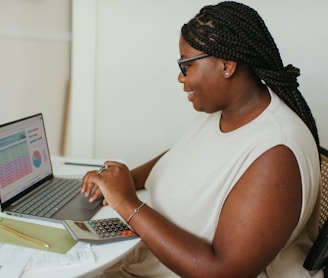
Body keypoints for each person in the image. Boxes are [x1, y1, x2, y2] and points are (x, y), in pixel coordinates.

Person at [82, 1, 322, 277]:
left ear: (227, 65)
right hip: (143, 257)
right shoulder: (224, 113)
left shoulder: (276, 154)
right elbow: (183, 157)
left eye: (186, 65)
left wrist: (126, 202)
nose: (180, 77)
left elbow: (223, 271)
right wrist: (124, 180)